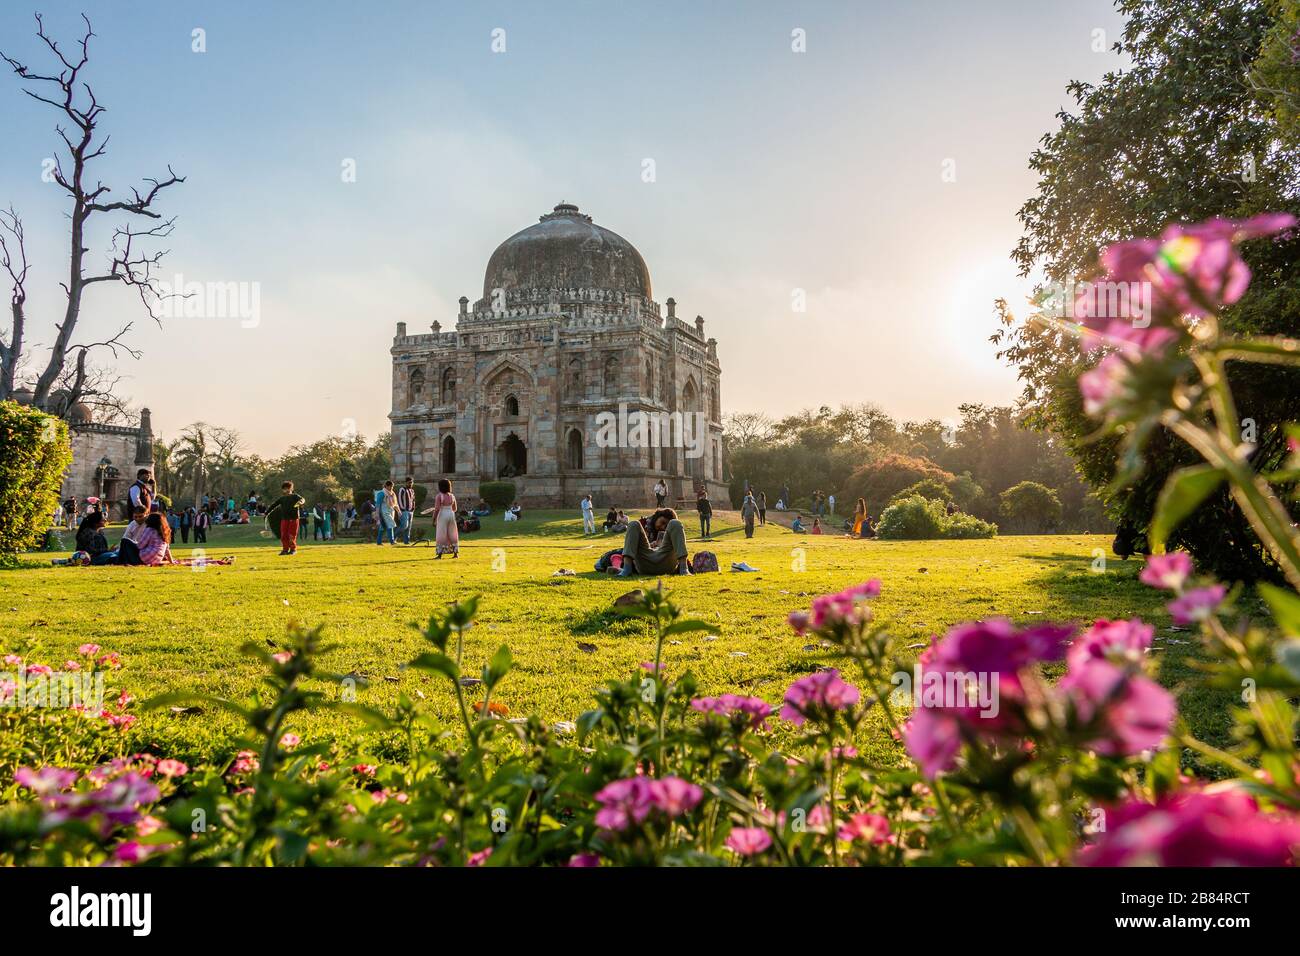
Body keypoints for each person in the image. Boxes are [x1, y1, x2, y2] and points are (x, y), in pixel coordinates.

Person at [618, 508, 691, 576]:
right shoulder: (643, 524)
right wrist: (651, 545)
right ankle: (626, 568)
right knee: (633, 523)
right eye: (662, 522)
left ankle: (684, 569)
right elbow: (631, 546)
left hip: (666, 561)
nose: (662, 527)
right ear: (657, 516)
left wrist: (661, 544)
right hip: (645, 561)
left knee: (675, 523)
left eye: (665, 526)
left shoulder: (669, 531)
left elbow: (679, 546)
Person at [421, 478, 459, 558]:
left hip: (443, 514)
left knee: (441, 534)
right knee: (453, 534)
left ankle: (440, 554)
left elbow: (437, 509)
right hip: (451, 514)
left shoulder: (439, 496)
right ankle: (455, 553)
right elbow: (455, 509)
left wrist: (434, 519)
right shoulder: (452, 496)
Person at [265, 481, 306, 556]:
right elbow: (273, 505)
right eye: (284, 489)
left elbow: (302, 499)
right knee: (283, 535)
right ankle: (285, 549)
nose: (286, 490)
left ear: (291, 489)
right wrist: (266, 513)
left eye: (288, 488)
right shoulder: (282, 499)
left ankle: (293, 549)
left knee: (291, 535)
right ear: (283, 490)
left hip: (294, 518)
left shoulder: (295, 496)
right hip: (284, 519)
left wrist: (300, 502)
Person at [376, 480, 398, 545]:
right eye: (390, 486)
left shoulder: (392, 494)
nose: (391, 488)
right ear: (386, 486)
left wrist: (398, 511)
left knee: (383, 527)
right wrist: (377, 514)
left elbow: (395, 504)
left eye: (392, 487)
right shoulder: (381, 493)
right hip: (384, 512)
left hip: (391, 511)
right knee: (391, 524)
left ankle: (379, 542)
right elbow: (378, 504)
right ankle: (392, 541)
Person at [397, 477, 417, 544]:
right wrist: (402, 509)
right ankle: (393, 536)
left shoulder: (412, 491)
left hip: (410, 511)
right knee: (404, 525)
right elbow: (399, 500)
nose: (410, 484)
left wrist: (413, 508)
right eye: (409, 482)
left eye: (411, 482)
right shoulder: (402, 489)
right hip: (404, 511)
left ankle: (406, 541)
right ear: (405, 483)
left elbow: (413, 500)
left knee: (409, 528)